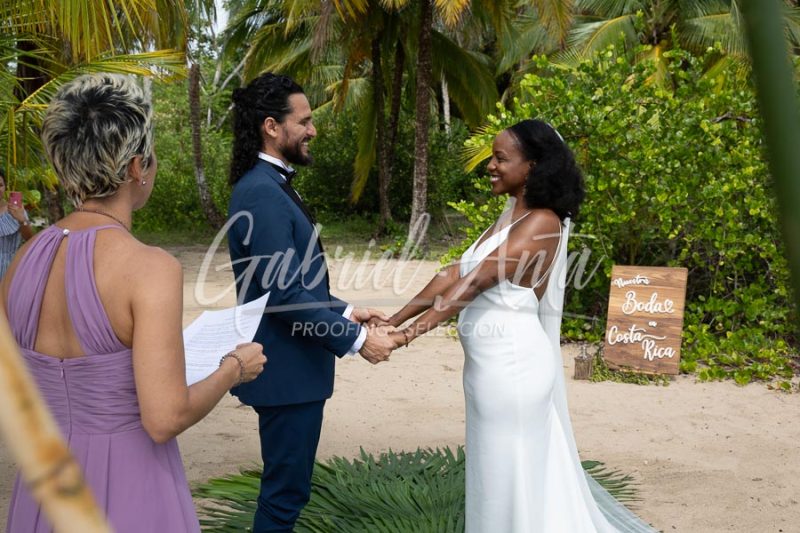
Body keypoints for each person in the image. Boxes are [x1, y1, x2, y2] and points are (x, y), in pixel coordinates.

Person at [2, 73, 266, 533]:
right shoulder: (149, 268)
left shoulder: (22, 260)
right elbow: (164, 418)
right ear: (137, 167)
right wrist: (234, 368)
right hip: (130, 484)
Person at [383, 120, 656, 532]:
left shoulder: (543, 222)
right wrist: (393, 320)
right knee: (494, 477)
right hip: (488, 371)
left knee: (511, 476)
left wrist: (406, 338)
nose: (490, 166)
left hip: (513, 371)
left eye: (500, 158)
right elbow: (453, 272)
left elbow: (477, 281)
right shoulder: (511, 216)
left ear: (533, 166)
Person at [226, 72, 397, 532]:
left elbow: (289, 283)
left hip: (293, 368)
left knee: (288, 492)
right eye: (303, 121)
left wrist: (346, 310)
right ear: (271, 126)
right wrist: (357, 339)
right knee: (283, 498)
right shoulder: (262, 192)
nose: (312, 130)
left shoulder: (270, 184)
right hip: (286, 369)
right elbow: (282, 295)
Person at [0, 168, 34, 278]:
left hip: (9, 270)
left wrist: (22, 219)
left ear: (5, 187)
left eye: (0, 185)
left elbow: (30, 238)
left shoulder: (15, 210)